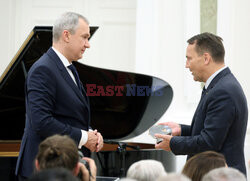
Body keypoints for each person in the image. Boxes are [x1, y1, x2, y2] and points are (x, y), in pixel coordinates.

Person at [15, 12, 103, 180]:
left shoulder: (69, 67)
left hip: (61, 168)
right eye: (84, 37)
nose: (88, 44)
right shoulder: (43, 69)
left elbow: (69, 114)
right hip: (43, 172)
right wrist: (84, 138)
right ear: (66, 35)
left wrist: (92, 133)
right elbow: (41, 121)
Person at [154, 32, 248, 175]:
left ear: (205, 58)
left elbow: (209, 143)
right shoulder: (220, 85)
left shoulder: (223, 90)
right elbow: (213, 131)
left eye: (189, 58)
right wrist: (181, 129)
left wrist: (173, 143)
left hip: (222, 176)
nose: (186, 65)